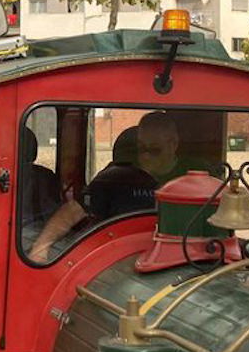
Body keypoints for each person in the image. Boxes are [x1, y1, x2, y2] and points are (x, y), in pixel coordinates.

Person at [27, 112, 186, 262]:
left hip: (178, 255)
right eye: (141, 148)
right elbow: (72, 211)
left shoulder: (193, 176)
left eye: (154, 150)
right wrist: (41, 247)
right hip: (118, 256)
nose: (145, 156)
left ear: (173, 144)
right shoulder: (115, 179)